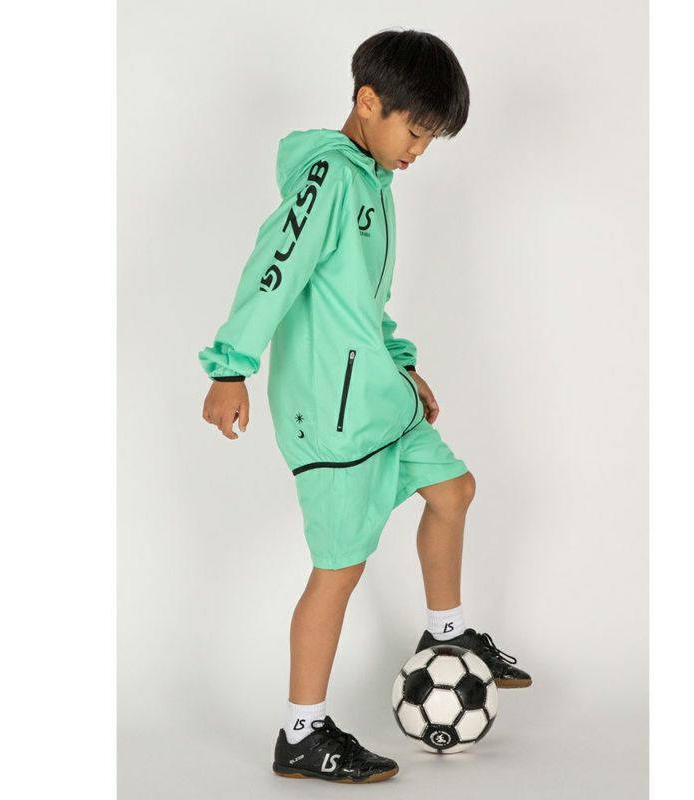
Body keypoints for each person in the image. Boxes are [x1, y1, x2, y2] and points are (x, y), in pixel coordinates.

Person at [198, 28, 532, 784]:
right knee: (339, 570)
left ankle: (446, 634)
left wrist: (403, 365)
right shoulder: (328, 177)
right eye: (414, 131)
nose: (419, 151)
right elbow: (274, 266)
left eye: (432, 139)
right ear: (368, 102)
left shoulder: (373, 182)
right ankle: (301, 733)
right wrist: (231, 367)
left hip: (379, 398)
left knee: (453, 490)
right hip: (335, 419)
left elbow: (362, 305)